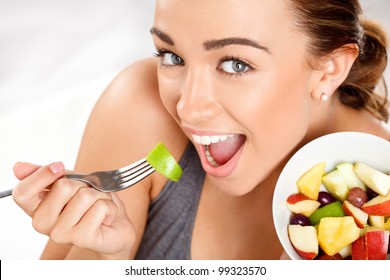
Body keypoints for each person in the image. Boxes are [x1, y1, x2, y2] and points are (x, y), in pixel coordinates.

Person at [11, 0, 390, 260]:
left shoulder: (377, 203)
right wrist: (106, 256)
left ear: (329, 71)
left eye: (236, 64)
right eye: (171, 56)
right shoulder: (142, 108)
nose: (187, 107)